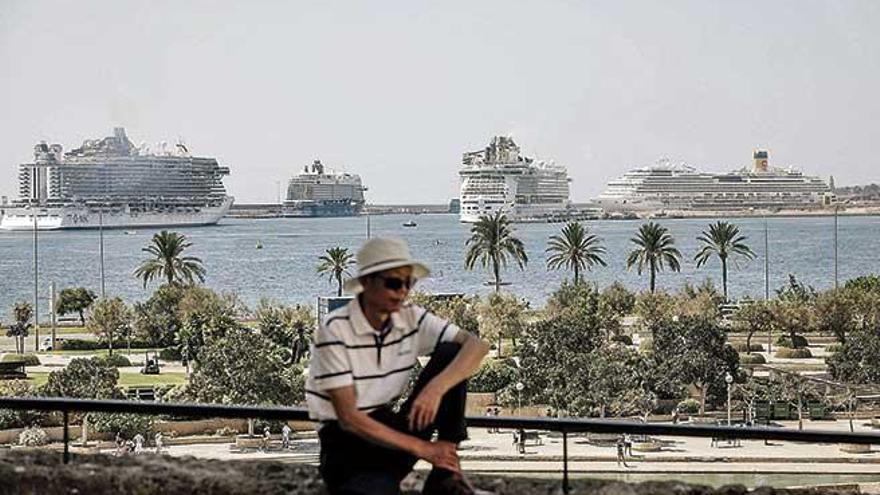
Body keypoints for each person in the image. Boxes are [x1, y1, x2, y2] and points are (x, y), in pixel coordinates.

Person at [306, 237, 490, 495]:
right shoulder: (336, 331)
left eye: (409, 283)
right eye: (394, 283)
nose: (402, 291)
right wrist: (424, 449)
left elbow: (476, 346)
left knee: (453, 352)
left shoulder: (409, 317)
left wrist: (436, 388)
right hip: (346, 449)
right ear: (368, 282)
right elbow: (349, 419)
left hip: (390, 426)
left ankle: (446, 475)